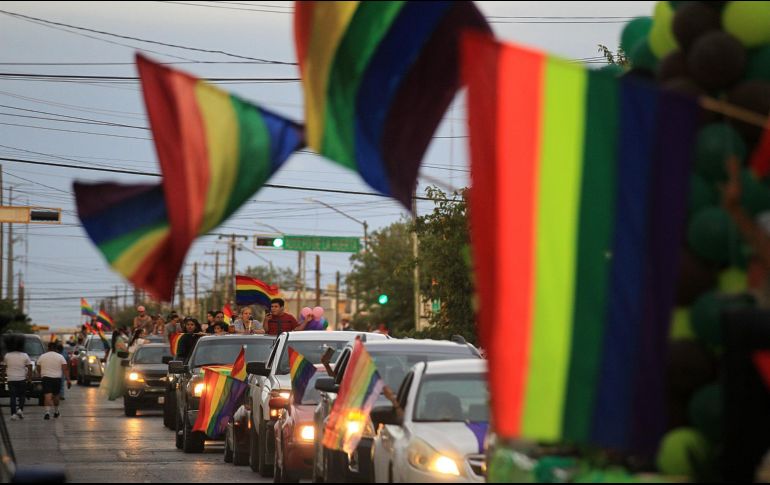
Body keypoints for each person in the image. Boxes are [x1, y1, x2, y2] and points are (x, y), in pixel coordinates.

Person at [37, 342, 70, 420]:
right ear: (56, 348)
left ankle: (47, 413)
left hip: (46, 378)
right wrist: (68, 380)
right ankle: (56, 412)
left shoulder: (42, 356)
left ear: (48, 348)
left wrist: (40, 374)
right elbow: (65, 369)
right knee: (56, 396)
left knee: (47, 395)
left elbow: (38, 367)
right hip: (57, 379)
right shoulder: (60, 357)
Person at [3, 335, 31, 420]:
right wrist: (30, 378)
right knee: (22, 395)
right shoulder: (25, 355)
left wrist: (4, 377)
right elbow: (29, 367)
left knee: (12, 397)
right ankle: (20, 409)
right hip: (22, 378)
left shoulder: (7, 355)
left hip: (11, 379)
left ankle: (13, 414)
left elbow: (4, 367)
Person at [100, 327, 129, 401]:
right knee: (119, 377)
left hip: (114, 358)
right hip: (119, 359)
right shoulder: (119, 339)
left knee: (114, 377)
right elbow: (125, 349)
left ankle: (112, 393)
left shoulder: (114, 340)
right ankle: (116, 392)